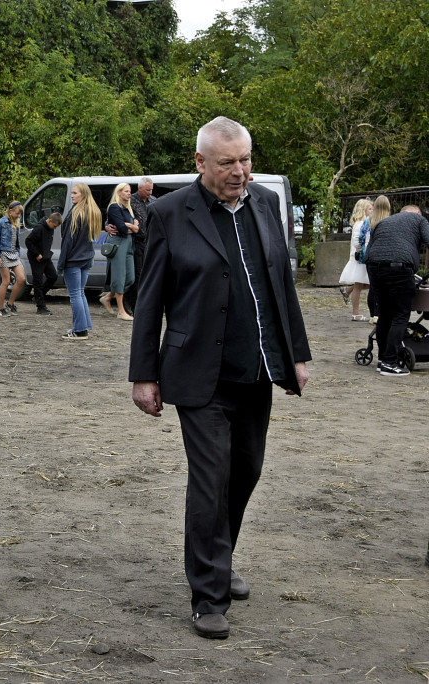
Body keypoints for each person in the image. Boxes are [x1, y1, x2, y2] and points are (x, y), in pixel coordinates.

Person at [129, 116, 311, 640]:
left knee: (246, 471)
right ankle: (208, 594)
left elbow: (281, 283)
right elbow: (150, 301)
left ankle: (220, 558)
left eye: (246, 160)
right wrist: (143, 375)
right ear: (201, 162)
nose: (240, 172)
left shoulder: (265, 204)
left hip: (256, 369)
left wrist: (296, 354)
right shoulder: (169, 213)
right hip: (197, 374)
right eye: (228, 162)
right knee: (210, 481)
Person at [364, 204, 429, 377]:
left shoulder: (383, 222)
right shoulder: (419, 220)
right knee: (400, 314)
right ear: (417, 212)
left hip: (374, 267)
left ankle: (382, 359)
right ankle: (390, 362)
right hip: (399, 267)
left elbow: (368, 250)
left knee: (385, 313)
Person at [56, 183, 102, 339]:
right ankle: (83, 326)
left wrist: (60, 265)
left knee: (75, 294)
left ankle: (80, 330)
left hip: (74, 260)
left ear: (83, 194)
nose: (72, 195)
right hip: (86, 258)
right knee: (80, 293)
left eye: (75, 193)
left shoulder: (76, 214)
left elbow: (67, 242)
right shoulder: (91, 212)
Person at [103, 183, 138, 321]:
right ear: (119, 193)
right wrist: (131, 226)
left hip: (129, 244)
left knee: (130, 278)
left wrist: (130, 226)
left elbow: (137, 229)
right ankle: (121, 311)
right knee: (119, 276)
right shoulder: (114, 207)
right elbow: (123, 229)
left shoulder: (128, 209)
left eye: (130, 191)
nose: (129, 193)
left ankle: (108, 297)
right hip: (118, 243)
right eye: (126, 191)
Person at [338, 198, 374, 321]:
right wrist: (361, 252)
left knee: (367, 283)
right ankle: (356, 312)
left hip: (362, 256)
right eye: (370, 209)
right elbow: (358, 241)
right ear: (363, 210)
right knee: (360, 284)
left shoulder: (364, 223)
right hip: (360, 258)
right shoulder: (360, 224)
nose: (372, 211)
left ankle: (347, 290)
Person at [125, 177, 154, 313]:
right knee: (136, 275)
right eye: (148, 190)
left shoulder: (154, 202)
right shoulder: (129, 201)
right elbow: (113, 217)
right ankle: (133, 305)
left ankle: (143, 304)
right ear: (140, 188)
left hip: (149, 243)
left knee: (147, 275)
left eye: (151, 189)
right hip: (135, 243)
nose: (150, 192)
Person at [0, 201, 26, 316]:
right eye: (17, 213)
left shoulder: (16, 222)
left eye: (20, 214)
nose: (19, 216)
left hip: (14, 254)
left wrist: (18, 252)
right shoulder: (1, 222)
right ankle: (0, 309)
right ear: (11, 212)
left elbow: (16, 240)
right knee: (6, 281)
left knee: (21, 279)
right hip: (4, 253)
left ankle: (10, 303)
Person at [25, 212, 61, 315]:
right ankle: (40, 307)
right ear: (49, 221)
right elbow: (28, 241)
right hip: (36, 258)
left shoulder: (50, 228)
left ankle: (39, 295)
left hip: (46, 256)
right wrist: (37, 254)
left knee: (53, 276)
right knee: (38, 281)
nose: (54, 228)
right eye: (54, 226)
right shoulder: (39, 228)